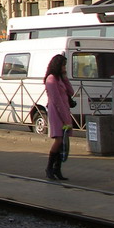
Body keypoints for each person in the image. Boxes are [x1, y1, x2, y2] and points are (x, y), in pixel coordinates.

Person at [44, 53, 75, 181]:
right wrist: (66, 119)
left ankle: (57, 169)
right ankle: (50, 168)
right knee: (59, 140)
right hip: (56, 112)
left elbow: (71, 92)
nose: (64, 68)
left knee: (63, 141)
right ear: (57, 65)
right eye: (63, 65)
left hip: (64, 110)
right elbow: (57, 101)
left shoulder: (59, 78)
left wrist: (65, 77)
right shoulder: (51, 79)